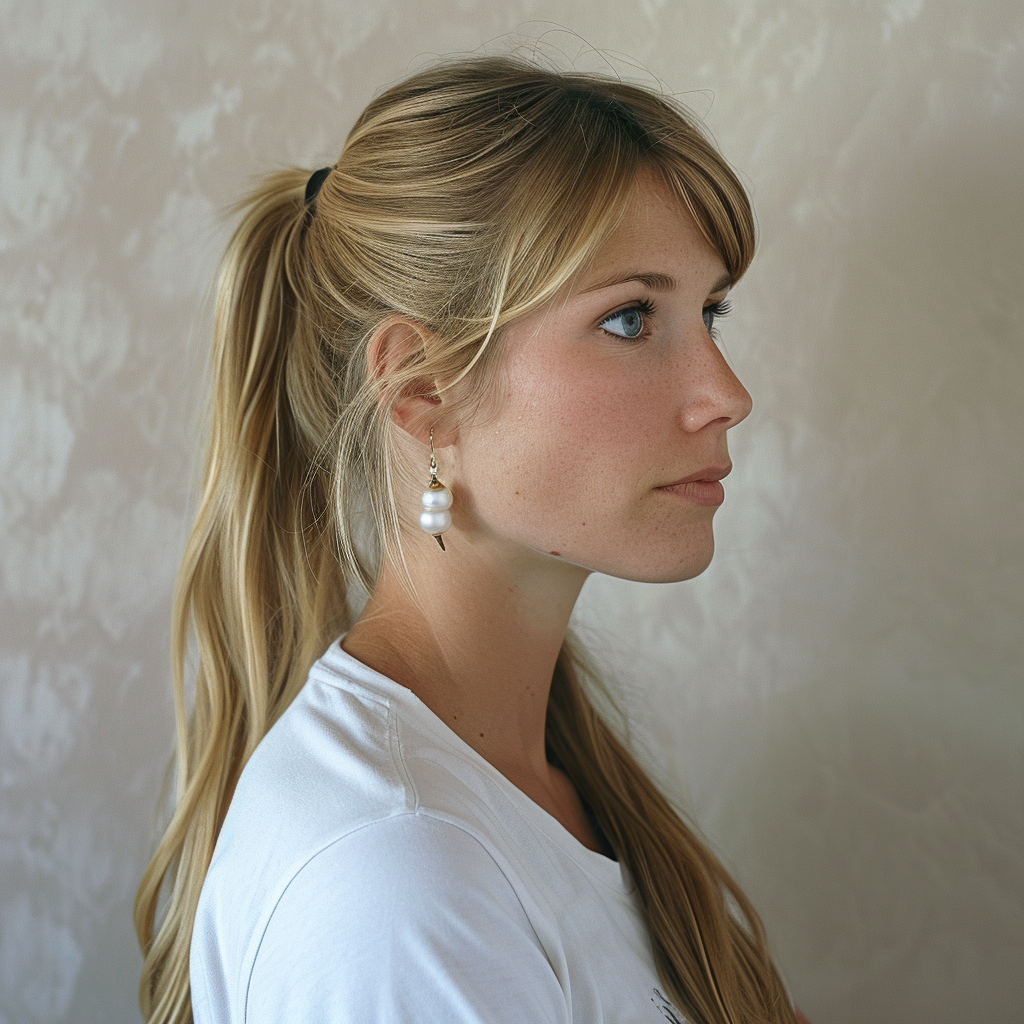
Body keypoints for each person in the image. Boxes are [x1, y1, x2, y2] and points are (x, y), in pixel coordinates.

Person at [134, 55, 811, 1024]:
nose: (726, 393)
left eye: (709, 311)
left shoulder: (533, 781)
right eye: (630, 318)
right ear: (423, 389)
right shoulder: (392, 876)